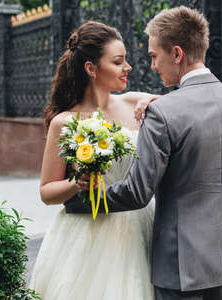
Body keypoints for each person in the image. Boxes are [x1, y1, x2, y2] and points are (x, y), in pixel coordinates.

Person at [66, 6, 222, 300]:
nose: (153, 66)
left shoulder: (163, 112)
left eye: (155, 56)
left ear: (177, 54)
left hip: (178, 265)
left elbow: (137, 192)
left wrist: (81, 202)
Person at [28, 21, 159, 299]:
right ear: (91, 68)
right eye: (118, 61)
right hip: (87, 232)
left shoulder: (134, 103)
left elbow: (186, 104)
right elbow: (46, 192)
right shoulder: (64, 123)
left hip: (139, 224)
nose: (128, 68)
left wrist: (156, 102)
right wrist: (77, 183)